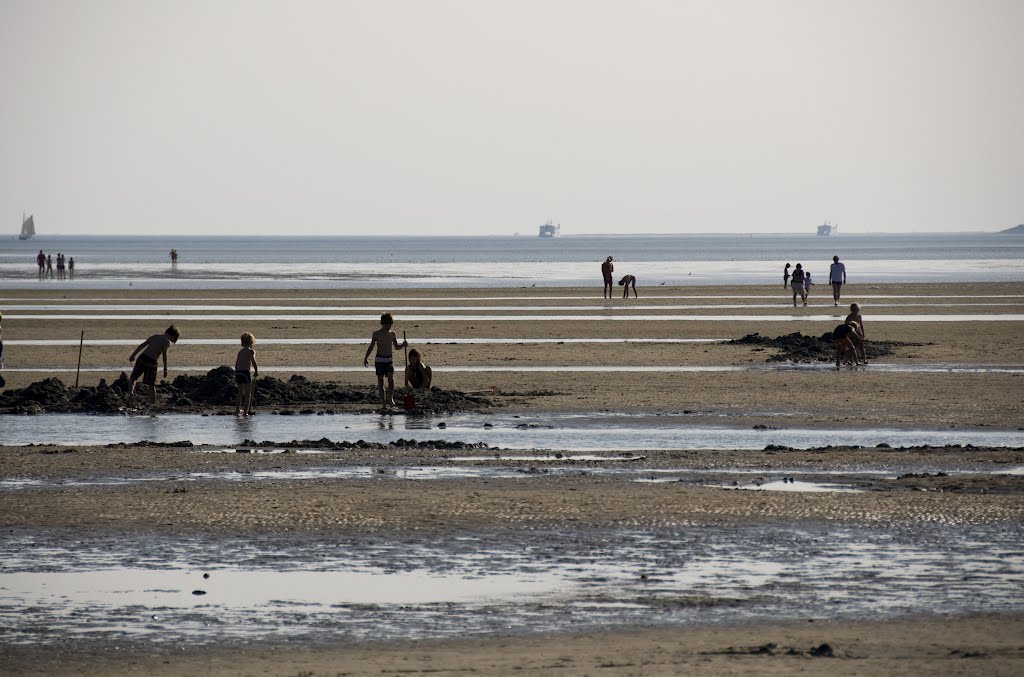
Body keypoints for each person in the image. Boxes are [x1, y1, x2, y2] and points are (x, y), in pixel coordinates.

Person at [363, 312, 407, 410]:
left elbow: (396, 347)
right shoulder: (376, 334)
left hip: (389, 360)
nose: (389, 326)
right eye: (387, 324)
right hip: (379, 360)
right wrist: (366, 357)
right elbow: (371, 346)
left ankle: (390, 398)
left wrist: (403, 345)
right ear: (383, 323)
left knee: (391, 380)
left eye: (390, 324)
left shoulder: (392, 334)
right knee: (380, 381)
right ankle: (383, 403)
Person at [128, 325, 180, 405]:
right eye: (174, 339)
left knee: (133, 377)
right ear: (172, 336)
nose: (173, 341)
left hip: (142, 358)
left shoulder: (155, 336)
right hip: (152, 362)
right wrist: (165, 369)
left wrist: (133, 355)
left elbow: (143, 345)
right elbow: (164, 355)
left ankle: (131, 392)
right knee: (151, 385)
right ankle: (152, 404)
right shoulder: (166, 341)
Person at [234, 332, 259, 416]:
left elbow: (236, 364)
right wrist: (256, 371)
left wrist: (237, 371)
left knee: (240, 392)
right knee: (248, 393)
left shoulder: (240, 351)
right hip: (245, 372)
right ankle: (245, 412)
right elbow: (253, 362)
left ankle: (237, 410)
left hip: (238, 372)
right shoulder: (251, 351)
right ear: (251, 342)